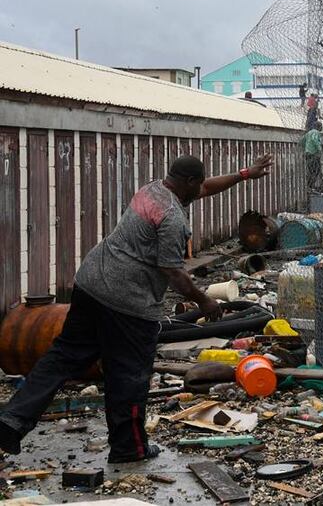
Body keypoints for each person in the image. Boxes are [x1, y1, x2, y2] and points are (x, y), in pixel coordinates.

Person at [0, 153, 273, 462]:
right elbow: (173, 273)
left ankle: (13, 419)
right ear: (189, 182)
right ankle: (129, 448)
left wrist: (244, 174)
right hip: (126, 302)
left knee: (63, 356)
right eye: (198, 183)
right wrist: (204, 300)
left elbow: (206, 187)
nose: (202, 189)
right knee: (128, 375)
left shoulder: (153, 189)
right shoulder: (172, 218)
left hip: (90, 283)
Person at [302, 121, 323, 189]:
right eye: (321, 127)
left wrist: (305, 148)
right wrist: (319, 149)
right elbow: (314, 140)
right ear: (319, 127)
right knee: (316, 170)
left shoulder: (308, 133)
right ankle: (311, 186)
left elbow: (302, 141)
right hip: (313, 154)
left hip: (307, 155)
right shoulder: (316, 132)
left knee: (311, 170)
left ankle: (310, 186)